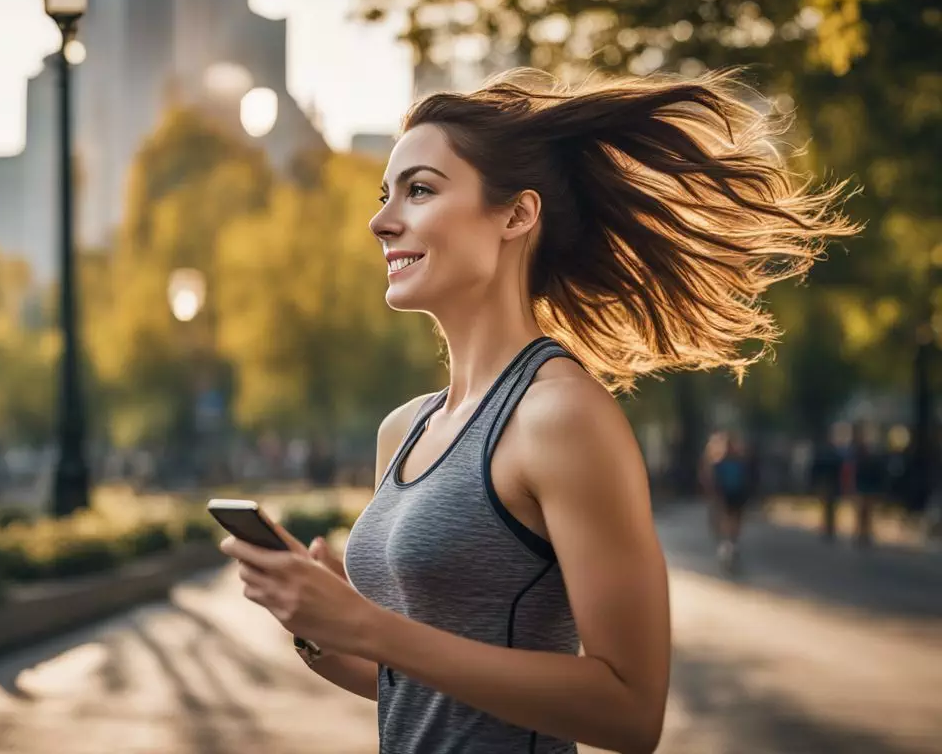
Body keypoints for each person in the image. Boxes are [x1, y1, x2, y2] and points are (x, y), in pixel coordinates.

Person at [218, 68, 858, 753]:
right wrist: (319, 625)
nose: (380, 220)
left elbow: (630, 711)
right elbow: (416, 682)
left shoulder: (561, 416)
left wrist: (371, 626)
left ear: (517, 216)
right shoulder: (402, 430)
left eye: (420, 190)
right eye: (385, 196)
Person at [699, 430, 754, 570]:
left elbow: (711, 479)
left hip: (731, 494)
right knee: (730, 519)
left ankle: (729, 543)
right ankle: (729, 543)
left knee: (729, 518)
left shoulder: (724, 463)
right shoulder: (733, 462)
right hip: (730, 494)